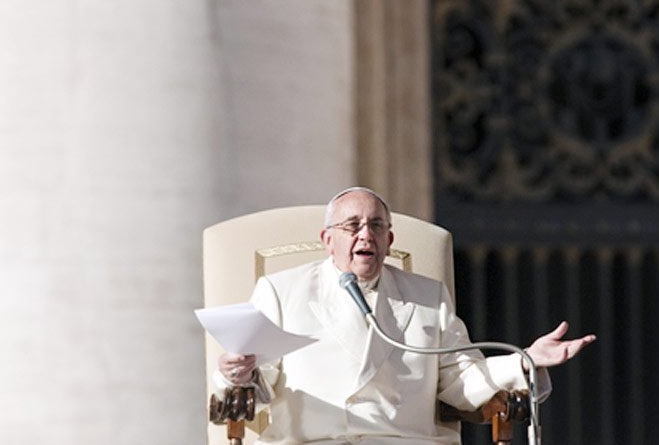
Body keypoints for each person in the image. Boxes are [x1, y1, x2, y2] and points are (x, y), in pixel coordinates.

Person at [214, 187, 596, 444]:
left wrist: (524, 361)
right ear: (328, 240)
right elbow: (255, 381)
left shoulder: (427, 297)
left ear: (389, 241)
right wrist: (238, 373)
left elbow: (459, 378)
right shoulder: (282, 291)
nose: (365, 235)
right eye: (352, 226)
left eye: (376, 226)